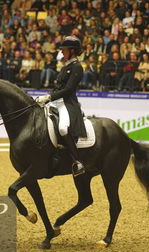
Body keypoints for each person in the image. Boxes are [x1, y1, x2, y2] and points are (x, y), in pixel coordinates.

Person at [36, 36, 87, 177]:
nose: (62, 53)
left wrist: (49, 97)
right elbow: (58, 87)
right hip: (56, 101)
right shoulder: (66, 66)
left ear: (72, 50)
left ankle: (78, 161)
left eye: (64, 50)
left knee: (63, 128)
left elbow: (68, 90)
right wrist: (47, 98)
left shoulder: (77, 67)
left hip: (67, 103)